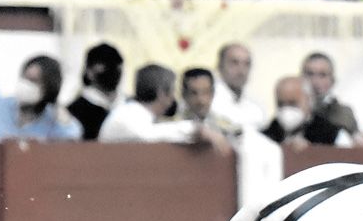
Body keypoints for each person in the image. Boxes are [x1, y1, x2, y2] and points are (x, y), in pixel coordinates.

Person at [99, 63, 231, 155]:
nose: (174, 98)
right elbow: (147, 136)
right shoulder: (128, 115)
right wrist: (195, 130)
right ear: (162, 93)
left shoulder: (137, 115)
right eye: (172, 91)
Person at [0, 55, 82, 141]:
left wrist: (61, 113)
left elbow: (73, 137)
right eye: (24, 77)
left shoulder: (52, 118)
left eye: (33, 81)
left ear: (48, 88)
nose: (26, 84)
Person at [301, 52, 363, 148]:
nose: (315, 81)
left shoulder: (344, 113)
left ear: (332, 80)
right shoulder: (294, 111)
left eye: (322, 75)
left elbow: (360, 145)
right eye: (310, 74)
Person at [261, 75, 347, 149]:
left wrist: (311, 151)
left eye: (292, 103)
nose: (287, 109)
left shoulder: (332, 134)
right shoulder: (267, 136)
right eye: (281, 104)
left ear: (309, 101)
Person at [67, 43, 124, 141]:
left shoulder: (130, 106)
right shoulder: (75, 112)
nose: (111, 73)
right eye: (105, 67)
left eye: (115, 67)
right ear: (89, 72)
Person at [211, 43, 265, 131]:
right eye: (234, 63)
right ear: (219, 66)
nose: (241, 70)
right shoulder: (208, 101)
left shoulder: (256, 107)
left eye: (247, 64)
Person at [180, 67, 240, 136]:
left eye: (205, 92)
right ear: (184, 95)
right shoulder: (173, 127)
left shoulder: (226, 129)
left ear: (213, 93)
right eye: (194, 93)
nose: (200, 100)